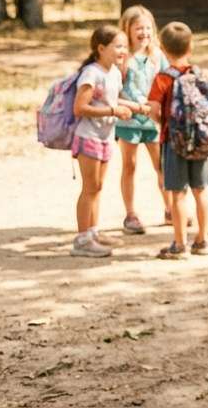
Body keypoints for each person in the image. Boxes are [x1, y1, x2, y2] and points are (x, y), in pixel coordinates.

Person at [146, 22, 208, 259]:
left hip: (173, 142)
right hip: (201, 141)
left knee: (177, 193)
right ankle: (203, 239)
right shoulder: (198, 73)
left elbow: (154, 110)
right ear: (190, 47)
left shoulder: (163, 79)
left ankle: (179, 243)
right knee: (200, 190)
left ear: (162, 49)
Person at [70, 25, 134, 258]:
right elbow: (80, 108)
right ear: (101, 48)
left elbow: (114, 100)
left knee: (97, 187)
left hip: (106, 137)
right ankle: (82, 240)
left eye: (125, 46)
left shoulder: (114, 72)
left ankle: (93, 232)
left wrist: (136, 107)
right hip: (89, 137)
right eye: (118, 46)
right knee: (89, 189)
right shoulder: (91, 74)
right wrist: (113, 111)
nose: (123, 51)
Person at [114, 5, 171, 234]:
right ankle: (130, 213)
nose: (144, 33)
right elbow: (116, 90)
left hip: (154, 121)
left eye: (148, 28)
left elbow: (167, 82)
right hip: (128, 121)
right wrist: (137, 105)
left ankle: (170, 208)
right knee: (130, 165)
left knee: (162, 166)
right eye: (139, 28)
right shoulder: (121, 58)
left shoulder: (158, 56)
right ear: (127, 30)